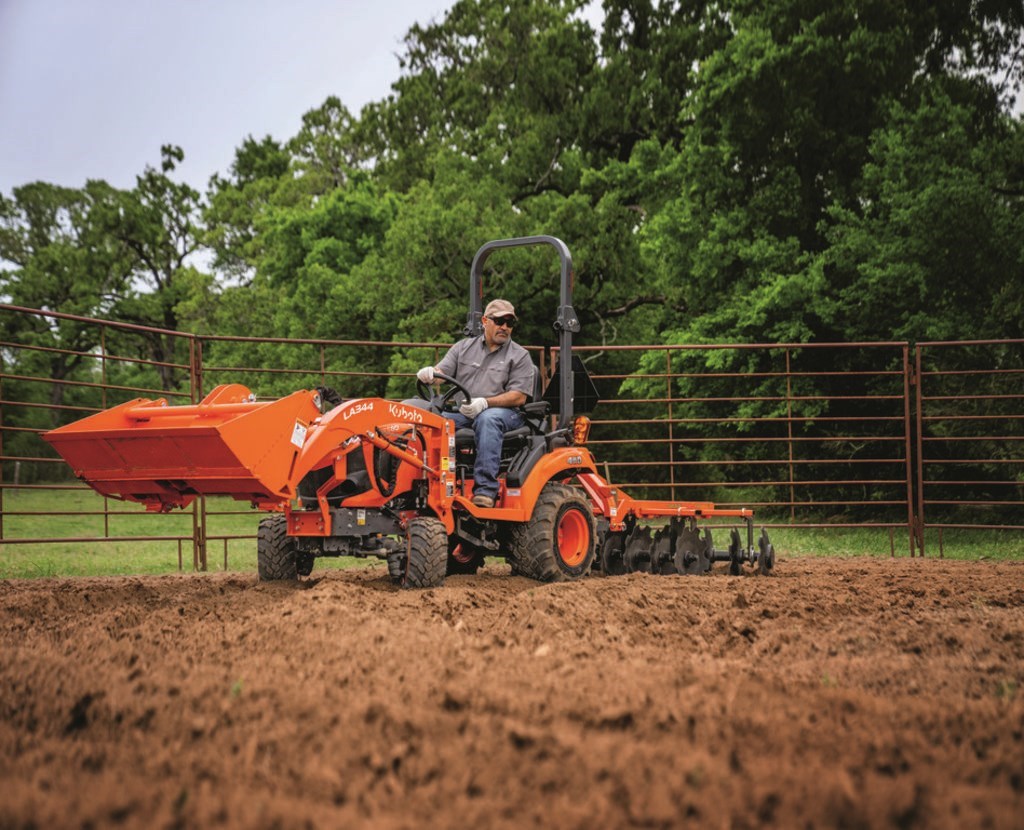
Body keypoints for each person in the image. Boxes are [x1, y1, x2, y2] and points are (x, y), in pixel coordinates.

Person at [416, 299, 535, 508]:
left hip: (507, 413)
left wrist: (485, 403)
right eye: (499, 321)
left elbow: (519, 396)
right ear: (484, 321)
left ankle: (485, 491)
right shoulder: (463, 348)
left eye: (510, 323)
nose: (505, 327)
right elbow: (442, 373)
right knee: (427, 419)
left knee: (488, 419)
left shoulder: (520, 356)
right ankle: (423, 484)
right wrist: (430, 374)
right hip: (465, 412)